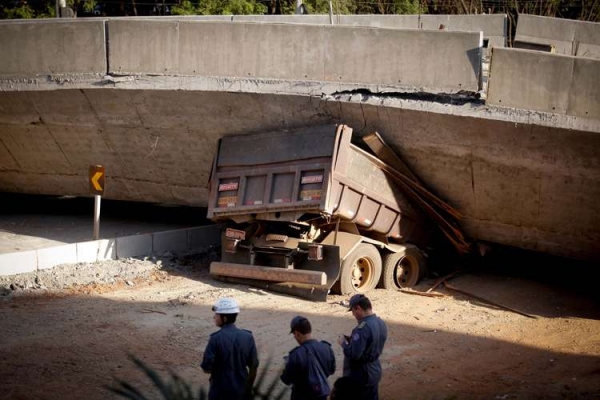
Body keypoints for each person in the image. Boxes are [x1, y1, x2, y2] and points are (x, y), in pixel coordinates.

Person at [201, 297, 259, 400]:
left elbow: (206, 368)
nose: (214, 317)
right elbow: (253, 367)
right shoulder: (248, 336)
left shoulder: (215, 338)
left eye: (217, 315)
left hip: (220, 393)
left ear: (225, 318)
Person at [337, 294, 387, 400]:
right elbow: (371, 343)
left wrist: (343, 343)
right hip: (375, 369)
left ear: (358, 308)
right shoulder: (381, 323)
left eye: (353, 311)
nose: (353, 314)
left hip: (362, 374)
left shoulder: (362, 329)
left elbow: (354, 355)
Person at [281, 315, 336, 400]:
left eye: (294, 334)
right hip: (322, 395)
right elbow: (332, 370)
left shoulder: (296, 355)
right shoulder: (326, 348)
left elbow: (286, 379)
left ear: (297, 333)